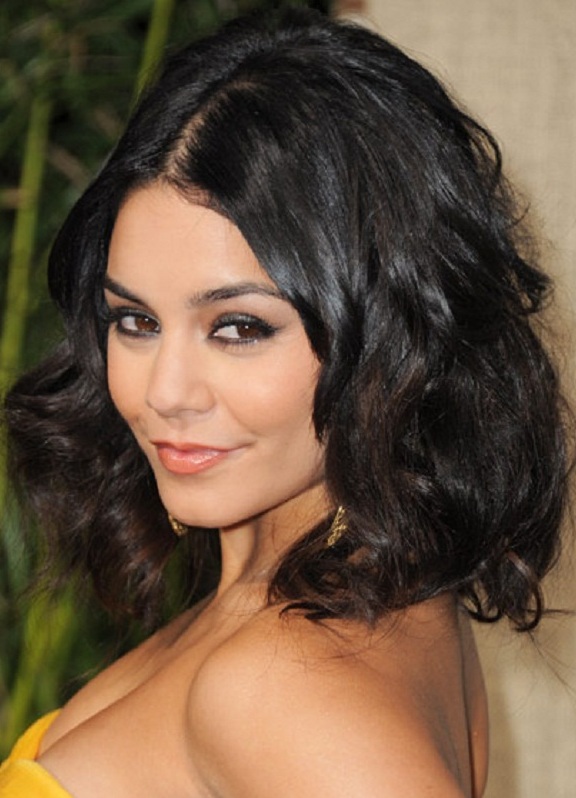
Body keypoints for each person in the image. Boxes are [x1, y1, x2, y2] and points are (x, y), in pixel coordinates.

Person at [0, 7, 570, 797]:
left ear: (388, 336)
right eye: (135, 321)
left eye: (238, 327)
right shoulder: (357, 597)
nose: (163, 392)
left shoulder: (286, 685)